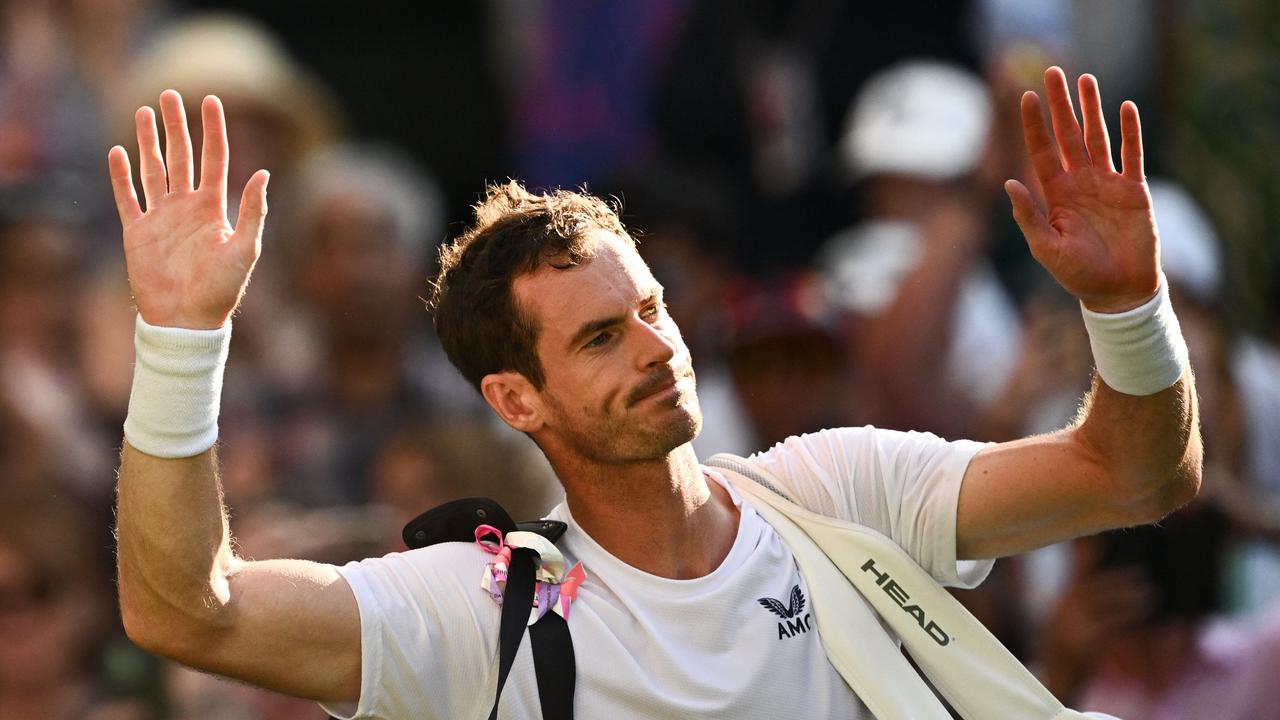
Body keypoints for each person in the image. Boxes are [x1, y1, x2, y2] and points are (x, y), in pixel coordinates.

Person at [109, 67, 1200, 718]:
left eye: (650, 309)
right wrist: (181, 338)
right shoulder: (481, 608)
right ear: (515, 399)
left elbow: (1133, 476)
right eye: (596, 338)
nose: (651, 349)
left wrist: (1124, 305)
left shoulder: (832, 487)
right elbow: (186, 611)